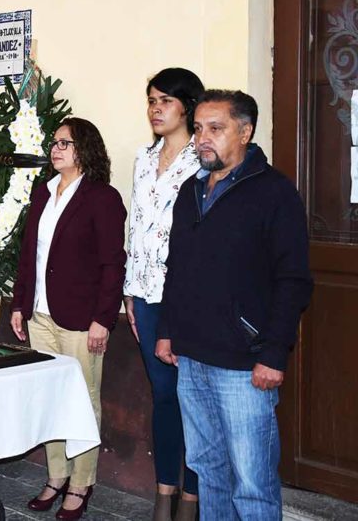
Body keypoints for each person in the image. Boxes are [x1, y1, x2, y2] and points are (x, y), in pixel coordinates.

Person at [156, 90, 312, 520]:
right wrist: (168, 330)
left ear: (245, 133)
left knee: (252, 483)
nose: (202, 138)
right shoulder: (190, 191)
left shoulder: (274, 193)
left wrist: (273, 353)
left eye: (216, 128)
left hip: (244, 365)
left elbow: (294, 280)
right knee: (208, 471)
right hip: (191, 358)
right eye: (199, 128)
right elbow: (177, 267)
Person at [9, 117, 126, 520]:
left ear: (84, 149)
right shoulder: (43, 192)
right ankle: (57, 475)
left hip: (80, 318)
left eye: (64, 143)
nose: (55, 149)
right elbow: (29, 254)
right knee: (50, 398)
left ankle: (81, 482)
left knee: (83, 400)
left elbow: (113, 264)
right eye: (54, 143)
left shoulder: (102, 197)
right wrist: (19, 304)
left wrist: (103, 319)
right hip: (40, 313)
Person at [123, 68, 203, 521]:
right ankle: (164, 493)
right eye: (152, 100)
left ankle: (191, 497)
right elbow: (135, 226)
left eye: (166, 100)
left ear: (187, 107)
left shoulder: (203, 158)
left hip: (187, 297)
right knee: (164, 395)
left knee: (193, 398)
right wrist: (129, 292)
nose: (156, 108)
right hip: (145, 293)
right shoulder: (143, 157)